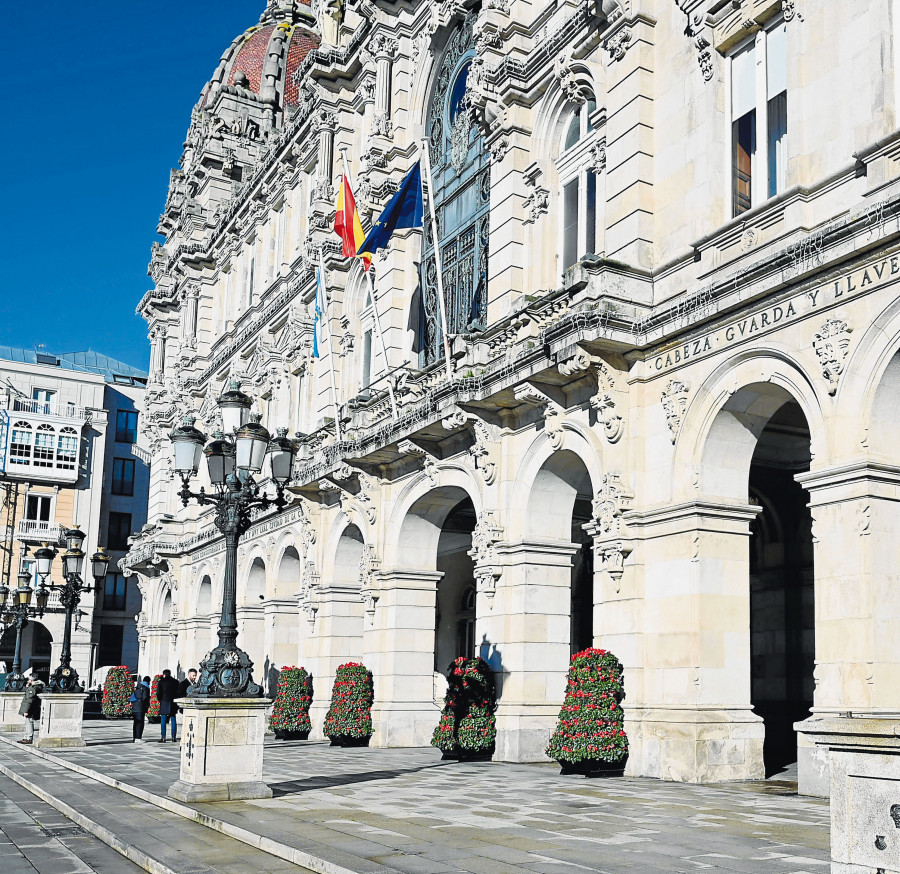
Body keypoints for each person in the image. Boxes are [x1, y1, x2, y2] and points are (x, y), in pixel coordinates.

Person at [17, 674, 45, 745]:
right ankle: (26, 737)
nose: (28, 680)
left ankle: (28, 738)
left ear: (31, 680)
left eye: (29, 679)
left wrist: (26, 711)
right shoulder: (34, 686)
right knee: (27, 722)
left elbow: (29, 700)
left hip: (31, 708)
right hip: (32, 707)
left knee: (29, 722)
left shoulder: (33, 688)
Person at [156, 669, 180, 742]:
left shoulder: (161, 682)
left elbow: (158, 693)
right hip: (173, 702)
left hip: (164, 701)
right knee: (173, 719)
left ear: (164, 674)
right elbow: (178, 692)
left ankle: (163, 737)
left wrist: (160, 700)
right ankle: (173, 737)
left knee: (163, 719)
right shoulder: (176, 682)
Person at [130, 676, 151, 743]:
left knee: (136, 722)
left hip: (135, 706)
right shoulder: (146, 688)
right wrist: (147, 705)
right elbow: (145, 698)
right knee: (140, 723)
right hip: (141, 707)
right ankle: (138, 738)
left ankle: (134, 737)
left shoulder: (138, 687)